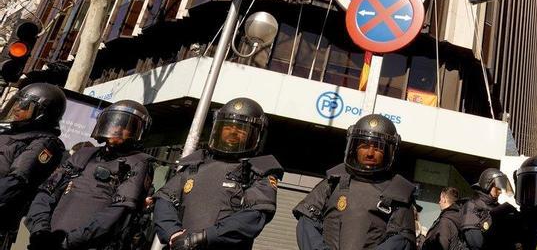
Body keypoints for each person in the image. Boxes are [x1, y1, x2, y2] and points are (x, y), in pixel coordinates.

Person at [153, 98, 282, 250]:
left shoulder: (259, 171)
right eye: (227, 127)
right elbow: (164, 199)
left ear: (256, 136)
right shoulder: (195, 163)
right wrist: (173, 233)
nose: (233, 132)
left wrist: (203, 237)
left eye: (241, 129)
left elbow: (253, 217)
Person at [26, 100, 154, 250]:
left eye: (125, 126)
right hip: (49, 240)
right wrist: (40, 231)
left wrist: (69, 241)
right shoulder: (83, 154)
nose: (116, 128)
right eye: (114, 122)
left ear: (138, 132)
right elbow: (47, 191)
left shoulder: (139, 162)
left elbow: (118, 212)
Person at [294, 114, 416, 250]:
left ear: (389, 152)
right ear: (354, 148)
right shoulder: (334, 181)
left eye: (377, 148)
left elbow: (400, 241)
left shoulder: (398, 192)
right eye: (364, 145)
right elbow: (306, 222)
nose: (370, 153)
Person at [0, 83, 66, 250]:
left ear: (41, 113)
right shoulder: (8, 134)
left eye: (24, 106)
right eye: (17, 103)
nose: (16, 109)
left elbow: (15, 182)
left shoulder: (44, 142)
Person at [460, 168, 520, 250]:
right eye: (497, 188)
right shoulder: (471, 206)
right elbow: (477, 244)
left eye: (500, 189)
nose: (500, 192)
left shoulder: (497, 207)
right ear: (487, 185)